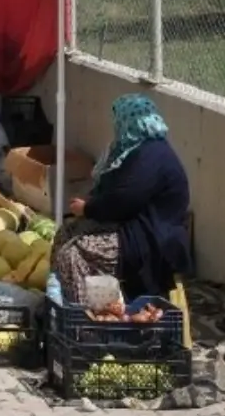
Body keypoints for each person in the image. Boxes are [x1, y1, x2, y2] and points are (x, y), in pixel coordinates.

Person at [51, 94, 191, 303]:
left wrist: (88, 209)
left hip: (149, 238)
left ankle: (85, 319)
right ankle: (66, 301)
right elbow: (116, 188)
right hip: (132, 227)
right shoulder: (137, 150)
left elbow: (124, 198)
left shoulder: (152, 155)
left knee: (72, 253)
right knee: (66, 232)